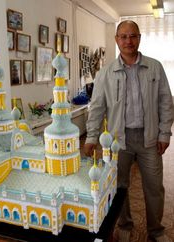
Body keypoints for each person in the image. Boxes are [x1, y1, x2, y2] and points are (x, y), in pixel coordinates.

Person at [84, 20, 174, 242]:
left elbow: (165, 101)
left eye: (133, 36)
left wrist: (164, 133)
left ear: (139, 38)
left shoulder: (155, 67)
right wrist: (92, 137)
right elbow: (96, 107)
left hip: (149, 138)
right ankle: (124, 223)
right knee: (118, 186)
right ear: (116, 40)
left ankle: (156, 230)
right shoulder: (105, 73)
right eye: (123, 36)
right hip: (117, 140)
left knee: (154, 187)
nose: (128, 41)